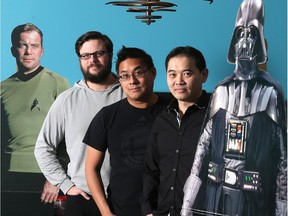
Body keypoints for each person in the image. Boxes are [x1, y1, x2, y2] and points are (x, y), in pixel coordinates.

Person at [181, 0, 287, 216]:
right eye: (241, 34)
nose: (246, 41)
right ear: (234, 40)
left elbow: (283, 159)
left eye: (252, 34)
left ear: (260, 43)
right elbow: (202, 149)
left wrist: (282, 208)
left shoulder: (271, 92)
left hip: (255, 200)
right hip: (216, 194)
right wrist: (188, 203)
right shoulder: (221, 89)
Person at [34, 31, 125, 216]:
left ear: (109, 55)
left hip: (126, 196)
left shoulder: (129, 95)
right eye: (85, 56)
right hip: (84, 197)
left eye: (98, 54)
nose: (92, 60)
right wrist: (66, 185)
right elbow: (43, 148)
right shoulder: (67, 100)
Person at [83, 46, 169, 216]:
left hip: (165, 209)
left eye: (138, 73)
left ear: (153, 73)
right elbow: (91, 168)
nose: (132, 81)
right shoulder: (107, 116)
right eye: (124, 76)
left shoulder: (172, 112)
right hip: (121, 209)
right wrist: (106, 212)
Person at [1, 23, 70, 216]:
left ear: (42, 50)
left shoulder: (58, 83)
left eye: (34, 46)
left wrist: (56, 178)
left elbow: (70, 135)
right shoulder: (2, 89)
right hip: (7, 176)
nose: (28, 51)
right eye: (23, 45)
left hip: (44, 176)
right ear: (13, 50)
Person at [141, 46, 210, 216]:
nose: (178, 81)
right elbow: (151, 170)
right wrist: (148, 210)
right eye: (172, 74)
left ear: (204, 75)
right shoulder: (162, 120)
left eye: (187, 74)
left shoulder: (218, 117)